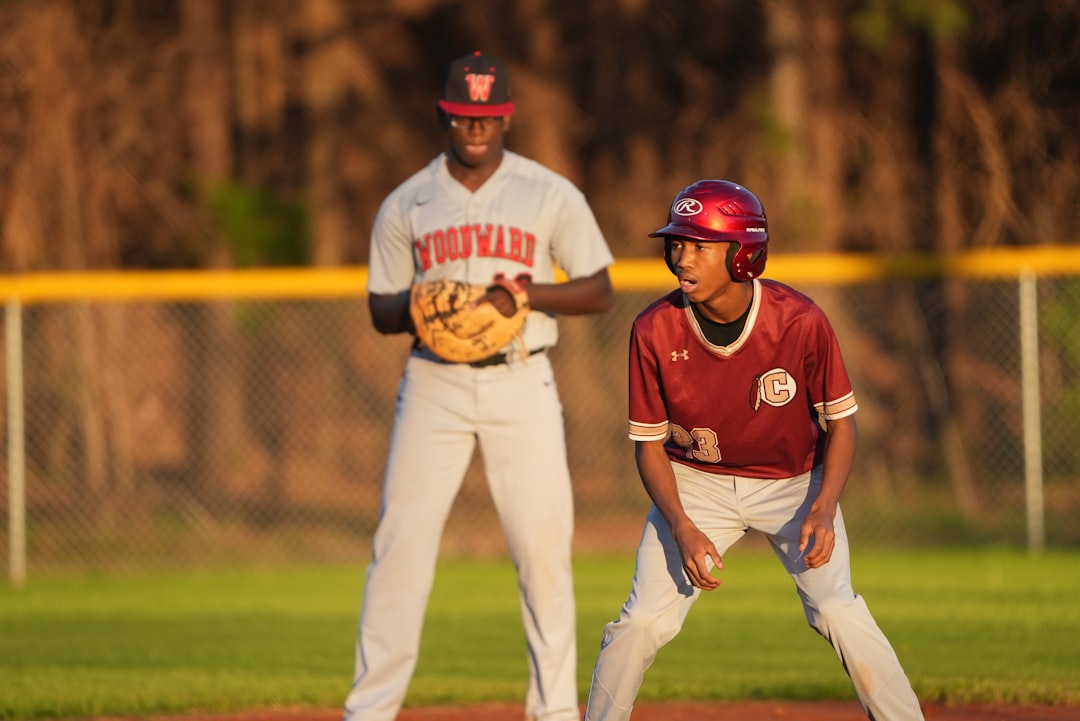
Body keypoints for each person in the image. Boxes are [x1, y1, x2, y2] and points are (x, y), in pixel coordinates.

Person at [583, 180, 924, 721]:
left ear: (743, 255)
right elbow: (648, 446)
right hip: (695, 483)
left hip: (794, 483)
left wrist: (824, 506)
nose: (682, 259)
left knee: (836, 610)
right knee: (642, 621)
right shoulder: (653, 328)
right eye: (677, 244)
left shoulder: (799, 321)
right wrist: (680, 524)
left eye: (700, 246)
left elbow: (842, 424)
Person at [345, 51, 615, 721]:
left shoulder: (548, 193)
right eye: (465, 113)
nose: (476, 125)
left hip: (522, 379)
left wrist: (525, 296)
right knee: (400, 548)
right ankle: (369, 710)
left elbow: (600, 288)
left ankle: (554, 711)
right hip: (432, 384)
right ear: (445, 112)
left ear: (506, 116)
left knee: (543, 551)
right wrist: (432, 305)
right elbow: (382, 309)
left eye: (488, 115)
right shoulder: (406, 202)